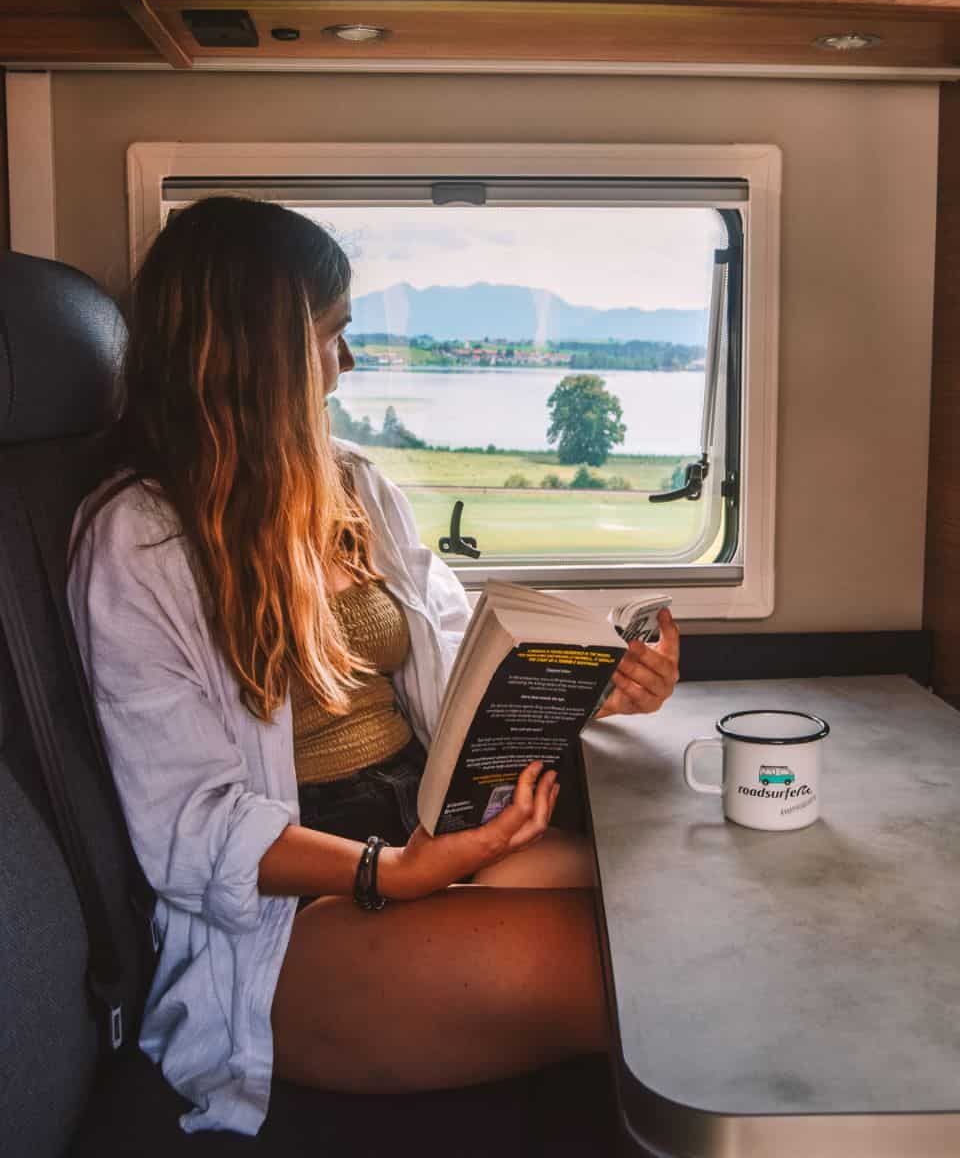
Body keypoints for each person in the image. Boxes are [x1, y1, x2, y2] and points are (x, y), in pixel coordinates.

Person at [67, 197, 680, 1136]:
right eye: (331, 336)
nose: (344, 368)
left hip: (424, 825)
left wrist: (600, 687)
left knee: (685, 920)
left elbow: (458, 652)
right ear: (259, 350)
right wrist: (397, 873)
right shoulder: (139, 541)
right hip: (296, 911)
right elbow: (193, 825)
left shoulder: (350, 484)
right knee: (645, 990)